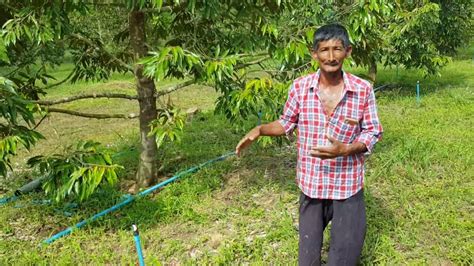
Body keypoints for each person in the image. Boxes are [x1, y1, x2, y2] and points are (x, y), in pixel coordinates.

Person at [235, 24, 383, 265]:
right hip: (311, 182)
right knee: (308, 256)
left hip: (346, 184)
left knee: (344, 256)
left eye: (338, 49)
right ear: (314, 53)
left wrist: (346, 149)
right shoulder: (300, 87)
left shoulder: (362, 89)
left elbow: (373, 131)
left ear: (348, 51)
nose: (331, 56)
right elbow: (286, 122)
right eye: (324, 50)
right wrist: (260, 130)